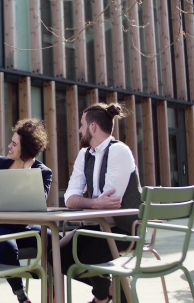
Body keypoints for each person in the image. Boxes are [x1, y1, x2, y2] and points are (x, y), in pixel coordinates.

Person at [55, 102, 142, 303]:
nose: (79, 130)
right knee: (57, 255)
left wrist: (85, 202)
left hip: (124, 230)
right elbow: (69, 198)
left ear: (92, 127)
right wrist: (94, 202)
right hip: (96, 228)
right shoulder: (84, 155)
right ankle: (111, 292)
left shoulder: (119, 151)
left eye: (82, 125)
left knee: (88, 255)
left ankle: (101, 298)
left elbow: (109, 203)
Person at [0, 118, 53, 303]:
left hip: (23, 229)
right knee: (6, 246)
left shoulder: (43, 172)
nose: (9, 146)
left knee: (52, 238)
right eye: (11, 141)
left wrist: (26, 170)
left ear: (26, 150)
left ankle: (53, 288)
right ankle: (22, 296)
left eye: (14, 144)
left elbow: (37, 203)